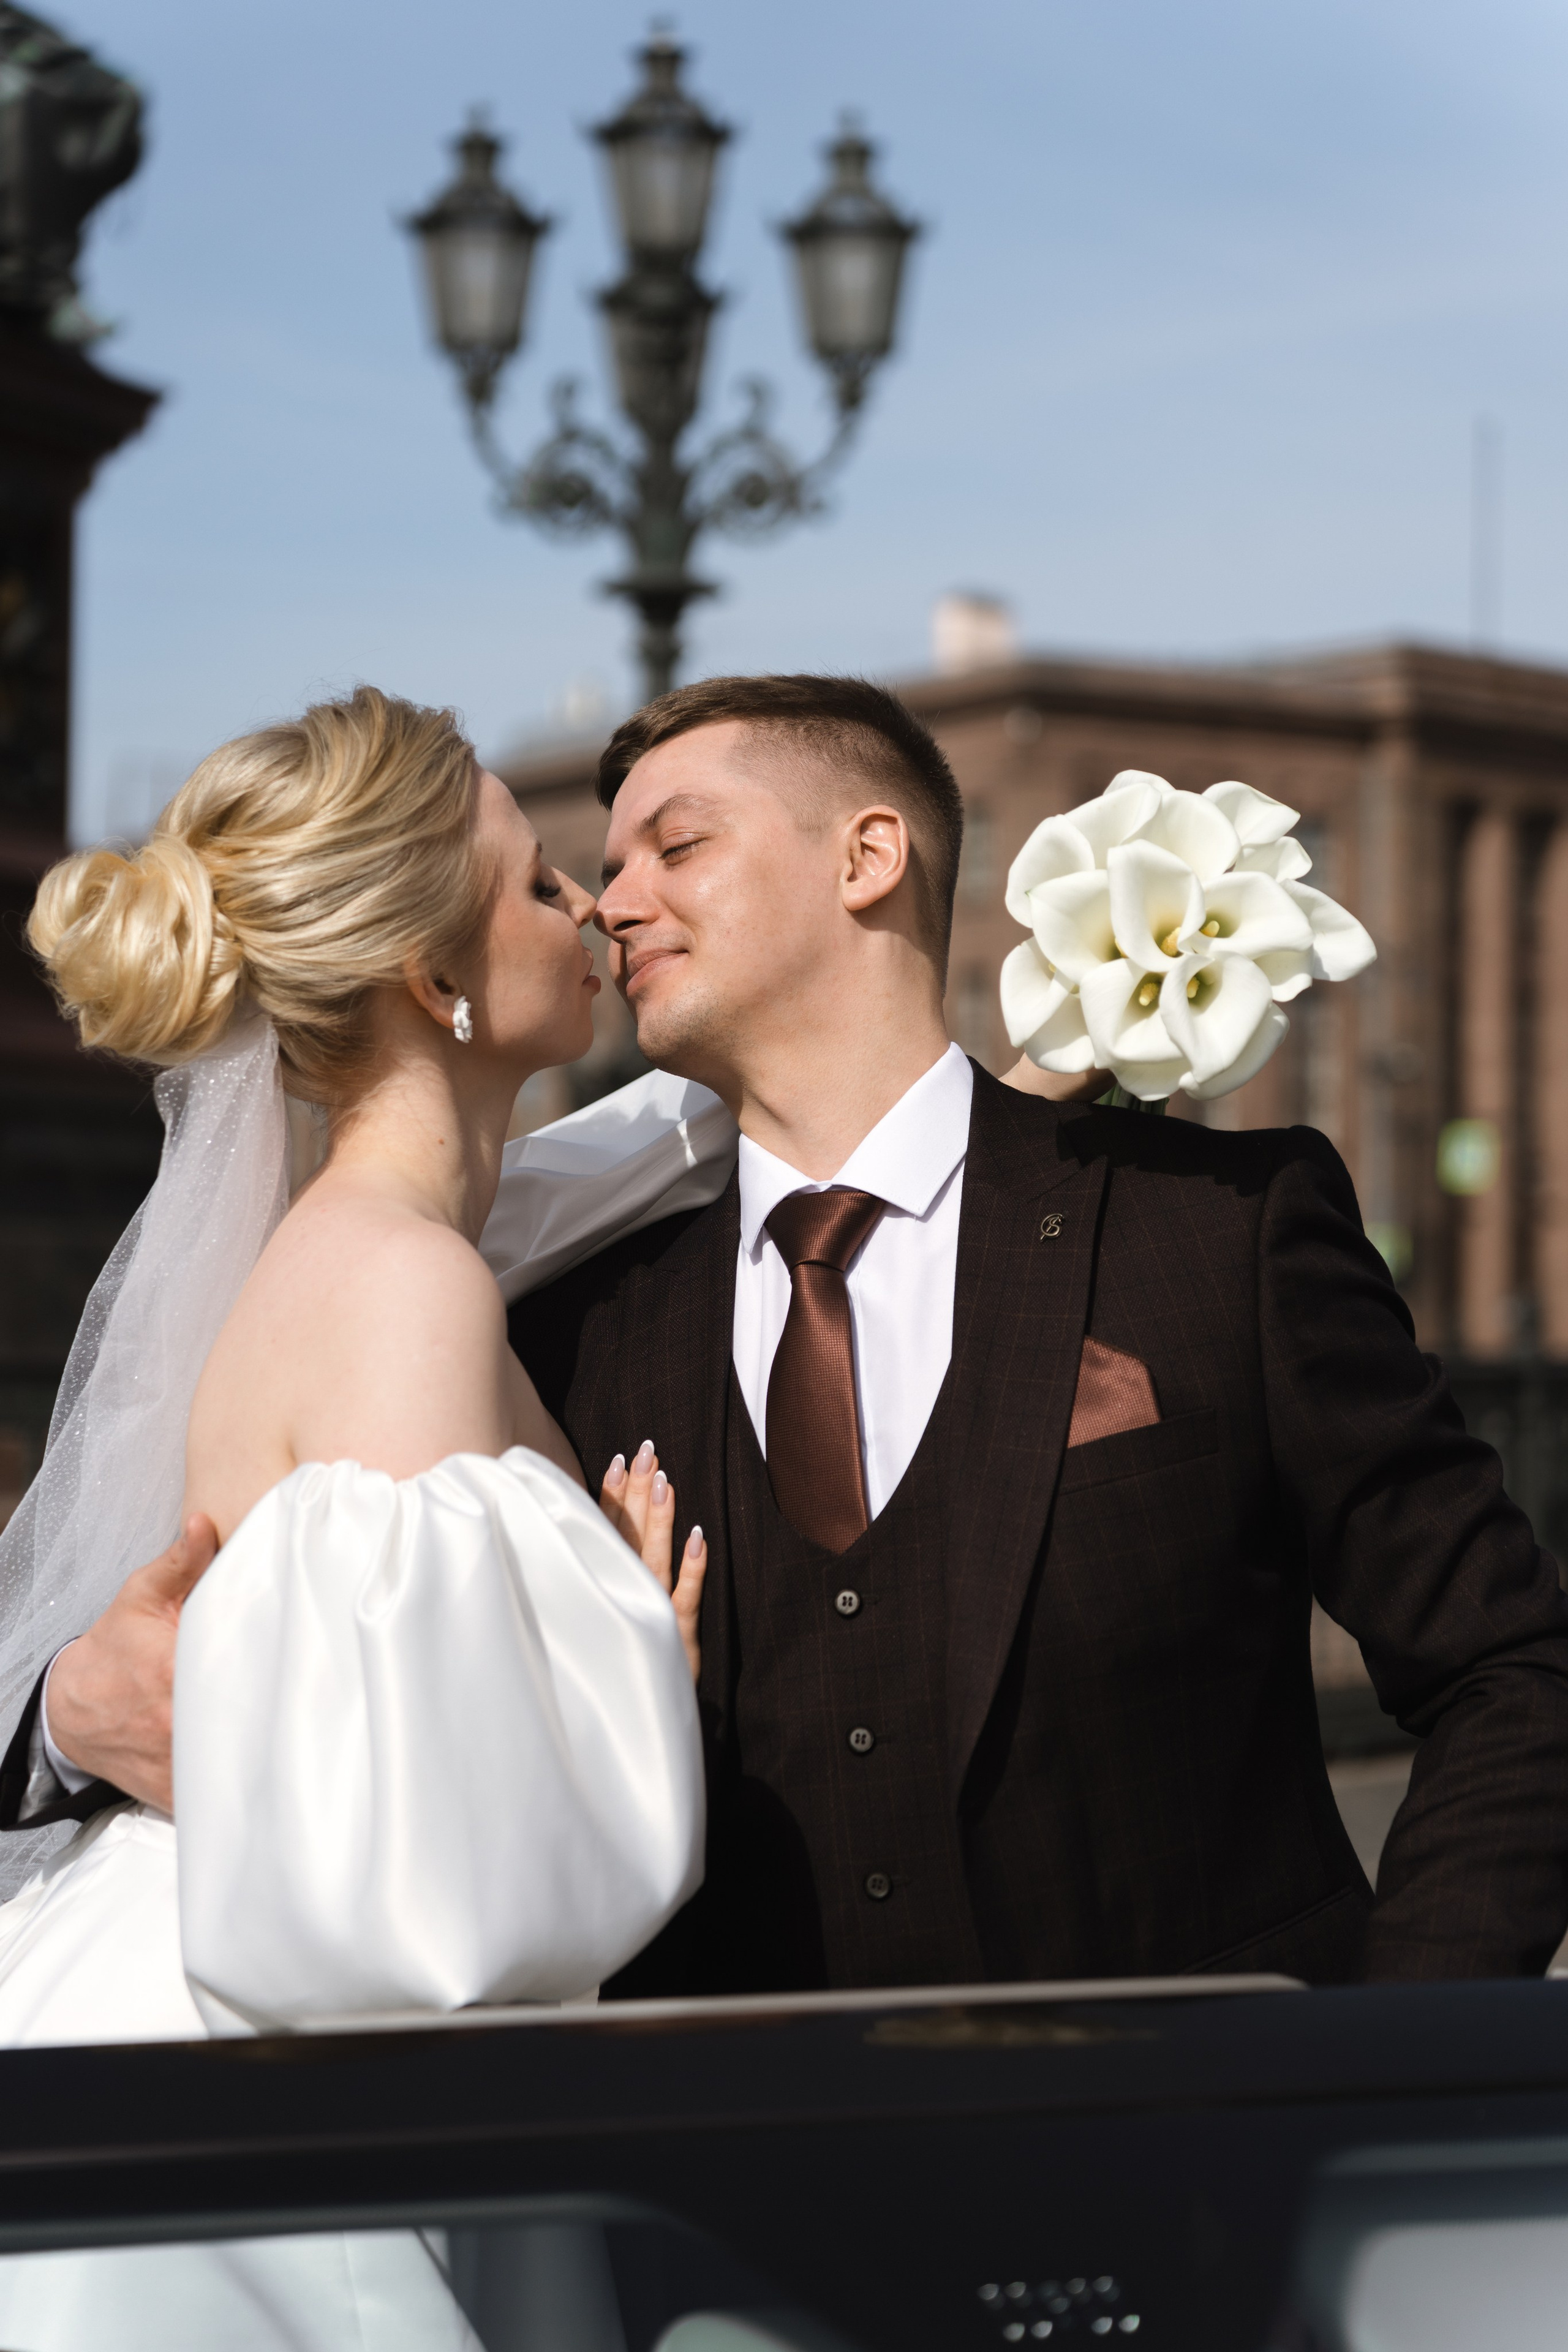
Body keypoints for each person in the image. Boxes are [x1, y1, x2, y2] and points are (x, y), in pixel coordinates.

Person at [13, 672, 1568, 1998]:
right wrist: (64, 1717)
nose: (613, 903)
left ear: (868, 856)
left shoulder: (1214, 1233)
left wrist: (1387, 2056)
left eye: (673, 846)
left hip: (1214, 2206)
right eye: (581, 872)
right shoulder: (539, 1319)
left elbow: (1513, 1666)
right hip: (706, 2244)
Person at [0, 685, 707, 2049]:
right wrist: (635, 1674)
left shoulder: (367, 1248)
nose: (595, 909)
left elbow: (635, 1156)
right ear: (438, 984)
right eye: (542, 880)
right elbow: (431, 1857)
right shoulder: (402, 1282)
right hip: (255, 2042)